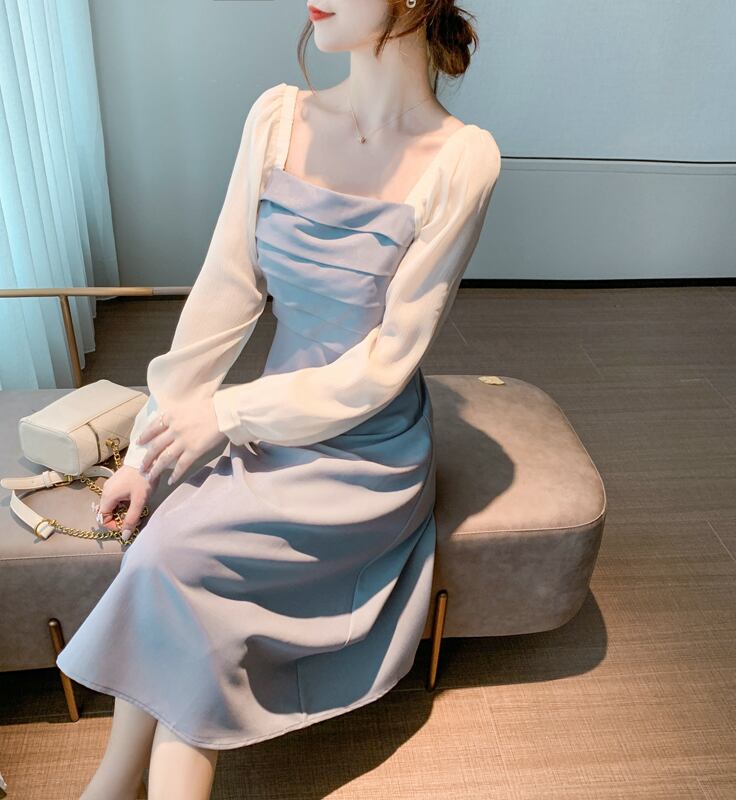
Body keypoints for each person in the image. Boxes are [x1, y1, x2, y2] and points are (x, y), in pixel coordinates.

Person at [55, 1, 501, 797]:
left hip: (367, 453)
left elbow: (385, 366)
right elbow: (223, 298)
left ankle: (112, 786)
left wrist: (227, 414)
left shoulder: (465, 159)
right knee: (162, 554)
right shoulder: (277, 117)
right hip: (269, 419)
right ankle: (116, 781)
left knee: (174, 561)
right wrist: (149, 451)